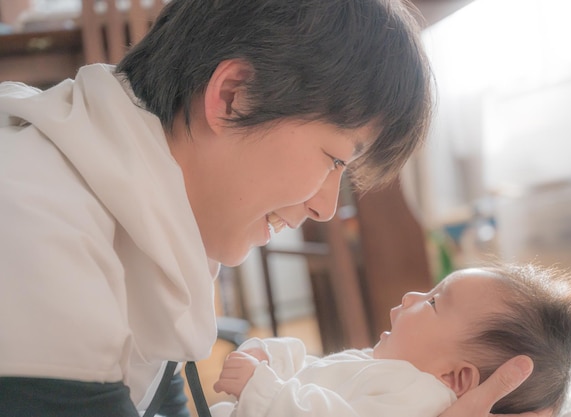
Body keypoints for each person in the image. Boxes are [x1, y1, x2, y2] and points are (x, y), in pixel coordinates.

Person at [0, 0, 539, 415]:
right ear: (234, 95)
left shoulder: (147, 225)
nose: (327, 207)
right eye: (333, 159)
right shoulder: (37, 222)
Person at [211, 263, 571, 417]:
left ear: (456, 378)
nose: (410, 297)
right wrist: (272, 357)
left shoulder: (415, 395)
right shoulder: (386, 367)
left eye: (434, 302)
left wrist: (260, 388)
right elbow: (317, 372)